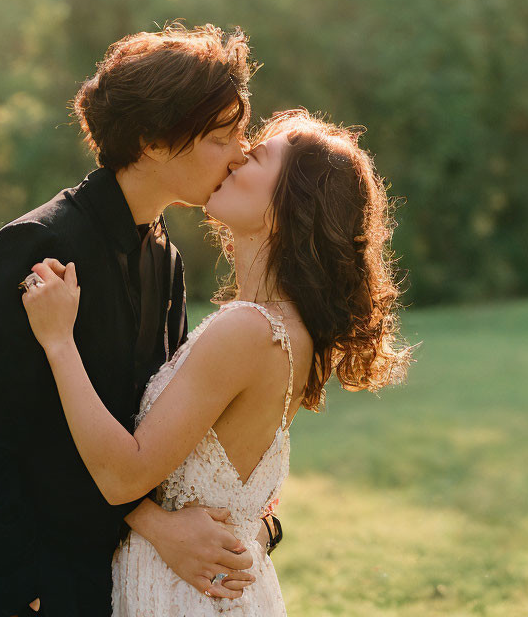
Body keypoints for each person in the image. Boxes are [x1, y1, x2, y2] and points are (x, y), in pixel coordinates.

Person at [22, 108, 413, 615]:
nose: (233, 161)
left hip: (186, 594)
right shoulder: (287, 328)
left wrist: (58, 342)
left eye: (254, 156)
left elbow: (123, 476)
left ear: (287, 206)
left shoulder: (249, 330)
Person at [0, 23, 276, 617]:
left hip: (117, 574)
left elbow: (143, 434)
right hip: (29, 582)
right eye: (223, 137)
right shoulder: (32, 248)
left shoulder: (165, 259)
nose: (240, 153)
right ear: (152, 140)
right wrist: (28, 588)